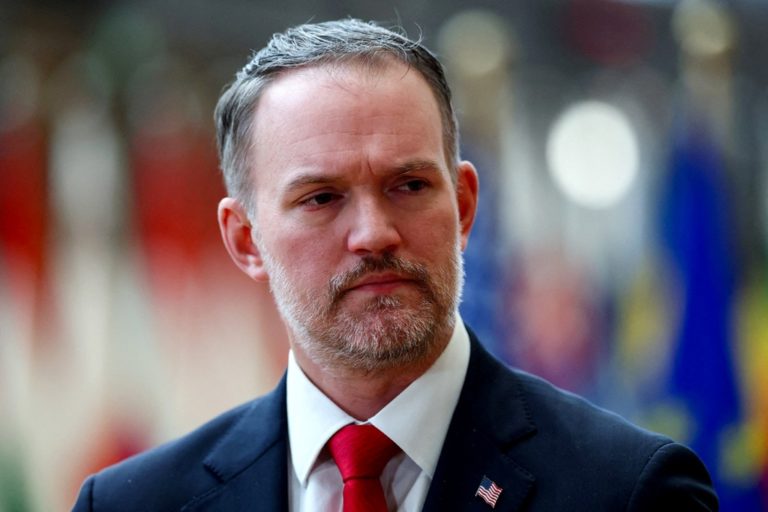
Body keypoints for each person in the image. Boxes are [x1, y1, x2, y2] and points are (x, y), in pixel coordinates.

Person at [72, 18, 718, 511]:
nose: (374, 234)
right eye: (321, 198)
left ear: (464, 207)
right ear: (245, 239)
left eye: (408, 186)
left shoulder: (629, 491)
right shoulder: (135, 503)